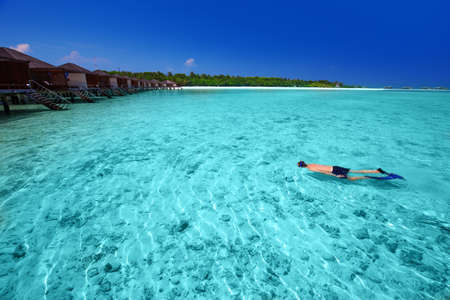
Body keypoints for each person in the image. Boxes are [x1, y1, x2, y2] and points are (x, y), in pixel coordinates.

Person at [297, 161, 387, 181]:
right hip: (335, 167)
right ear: (304, 162)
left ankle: (366, 177)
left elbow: (324, 172)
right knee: (356, 171)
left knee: (351, 179)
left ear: (302, 167)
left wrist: (336, 176)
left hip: (335, 171)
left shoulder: (311, 168)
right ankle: (377, 171)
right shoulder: (312, 164)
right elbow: (323, 167)